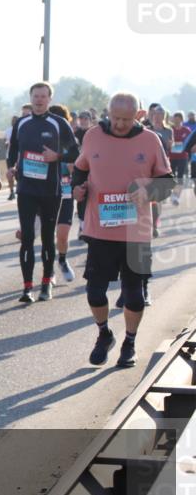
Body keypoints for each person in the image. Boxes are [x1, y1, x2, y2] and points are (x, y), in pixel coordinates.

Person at [72, 92, 173, 368]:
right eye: (115, 118)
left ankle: (129, 342)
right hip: (100, 230)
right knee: (94, 292)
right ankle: (104, 335)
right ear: (108, 113)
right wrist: (77, 189)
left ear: (138, 116)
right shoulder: (92, 136)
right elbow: (80, 170)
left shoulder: (150, 140)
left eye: (126, 120)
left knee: (134, 295)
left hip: (136, 233)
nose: (119, 124)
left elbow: (166, 182)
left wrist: (148, 191)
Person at [6, 83, 79, 303]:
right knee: (27, 238)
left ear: (49, 99)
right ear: (31, 97)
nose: (39, 100)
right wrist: (11, 167)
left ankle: (46, 284)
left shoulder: (58, 123)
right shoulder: (22, 123)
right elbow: (12, 152)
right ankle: (27, 287)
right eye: (35, 96)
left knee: (48, 238)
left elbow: (74, 152)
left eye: (43, 96)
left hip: (51, 190)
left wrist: (56, 156)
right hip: (27, 189)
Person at [48, 104, 77, 283]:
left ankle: (62, 260)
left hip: (66, 193)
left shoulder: (70, 145)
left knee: (63, 234)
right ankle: (49, 268)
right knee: (47, 233)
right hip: (46, 194)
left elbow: (77, 166)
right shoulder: (42, 142)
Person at [148, 105, 173, 237]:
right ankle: (150, 224)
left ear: (164, 116)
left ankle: (154, 224)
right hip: (148, 166)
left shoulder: (168, 130)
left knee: (157, 198)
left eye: (160, 114)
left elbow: (169, 147)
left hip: (163, 165)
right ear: (152, 116)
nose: (158, 117)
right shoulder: (147, 130)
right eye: (156, 114)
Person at [169, 112, 192, 204]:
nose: (176, 121)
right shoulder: (170, 130)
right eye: (175, 120)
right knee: (172, 176)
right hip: (172, 157)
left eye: (178, 120)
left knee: (180, 177)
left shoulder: (186, 130)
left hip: (183, 157)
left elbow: (191, 142)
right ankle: (172, 193)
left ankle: (176, 196)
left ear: (182, 120)